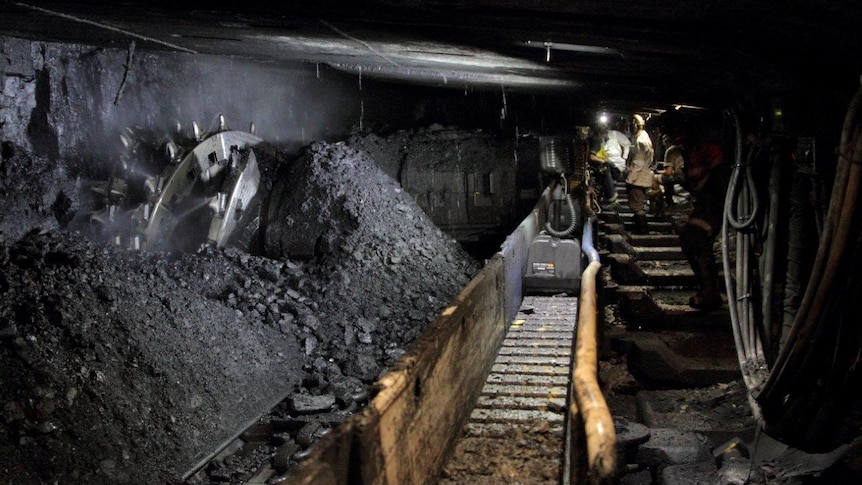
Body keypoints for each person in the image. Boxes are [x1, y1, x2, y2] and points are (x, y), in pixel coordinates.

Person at [660, 120, 728, 310]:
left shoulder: (706, 148)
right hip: (704, 203)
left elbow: (719, 177)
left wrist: (722, 205)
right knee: (690, 241)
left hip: (714, 202)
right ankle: (708, 290)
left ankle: (710, 292)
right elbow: (693, 182)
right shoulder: (688, 153)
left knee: (695, 239)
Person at [625, 114, 655, 233]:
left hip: (638, 177)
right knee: (637, 203)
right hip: (641, 175)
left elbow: (638, 162)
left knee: (637, 204)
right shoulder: (643, 137)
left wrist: (629, 179)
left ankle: (642, 229)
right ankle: (638, 226)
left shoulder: (640, 140)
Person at [588, 125, 619, 205]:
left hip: (597, 166)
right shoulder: (596, 141)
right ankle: (610, 197)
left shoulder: (594, 140)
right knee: (606, 176)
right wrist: (603, 161)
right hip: (597, 167)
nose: (605, 135)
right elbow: (592, 157)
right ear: (600, 133)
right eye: (604, 133)